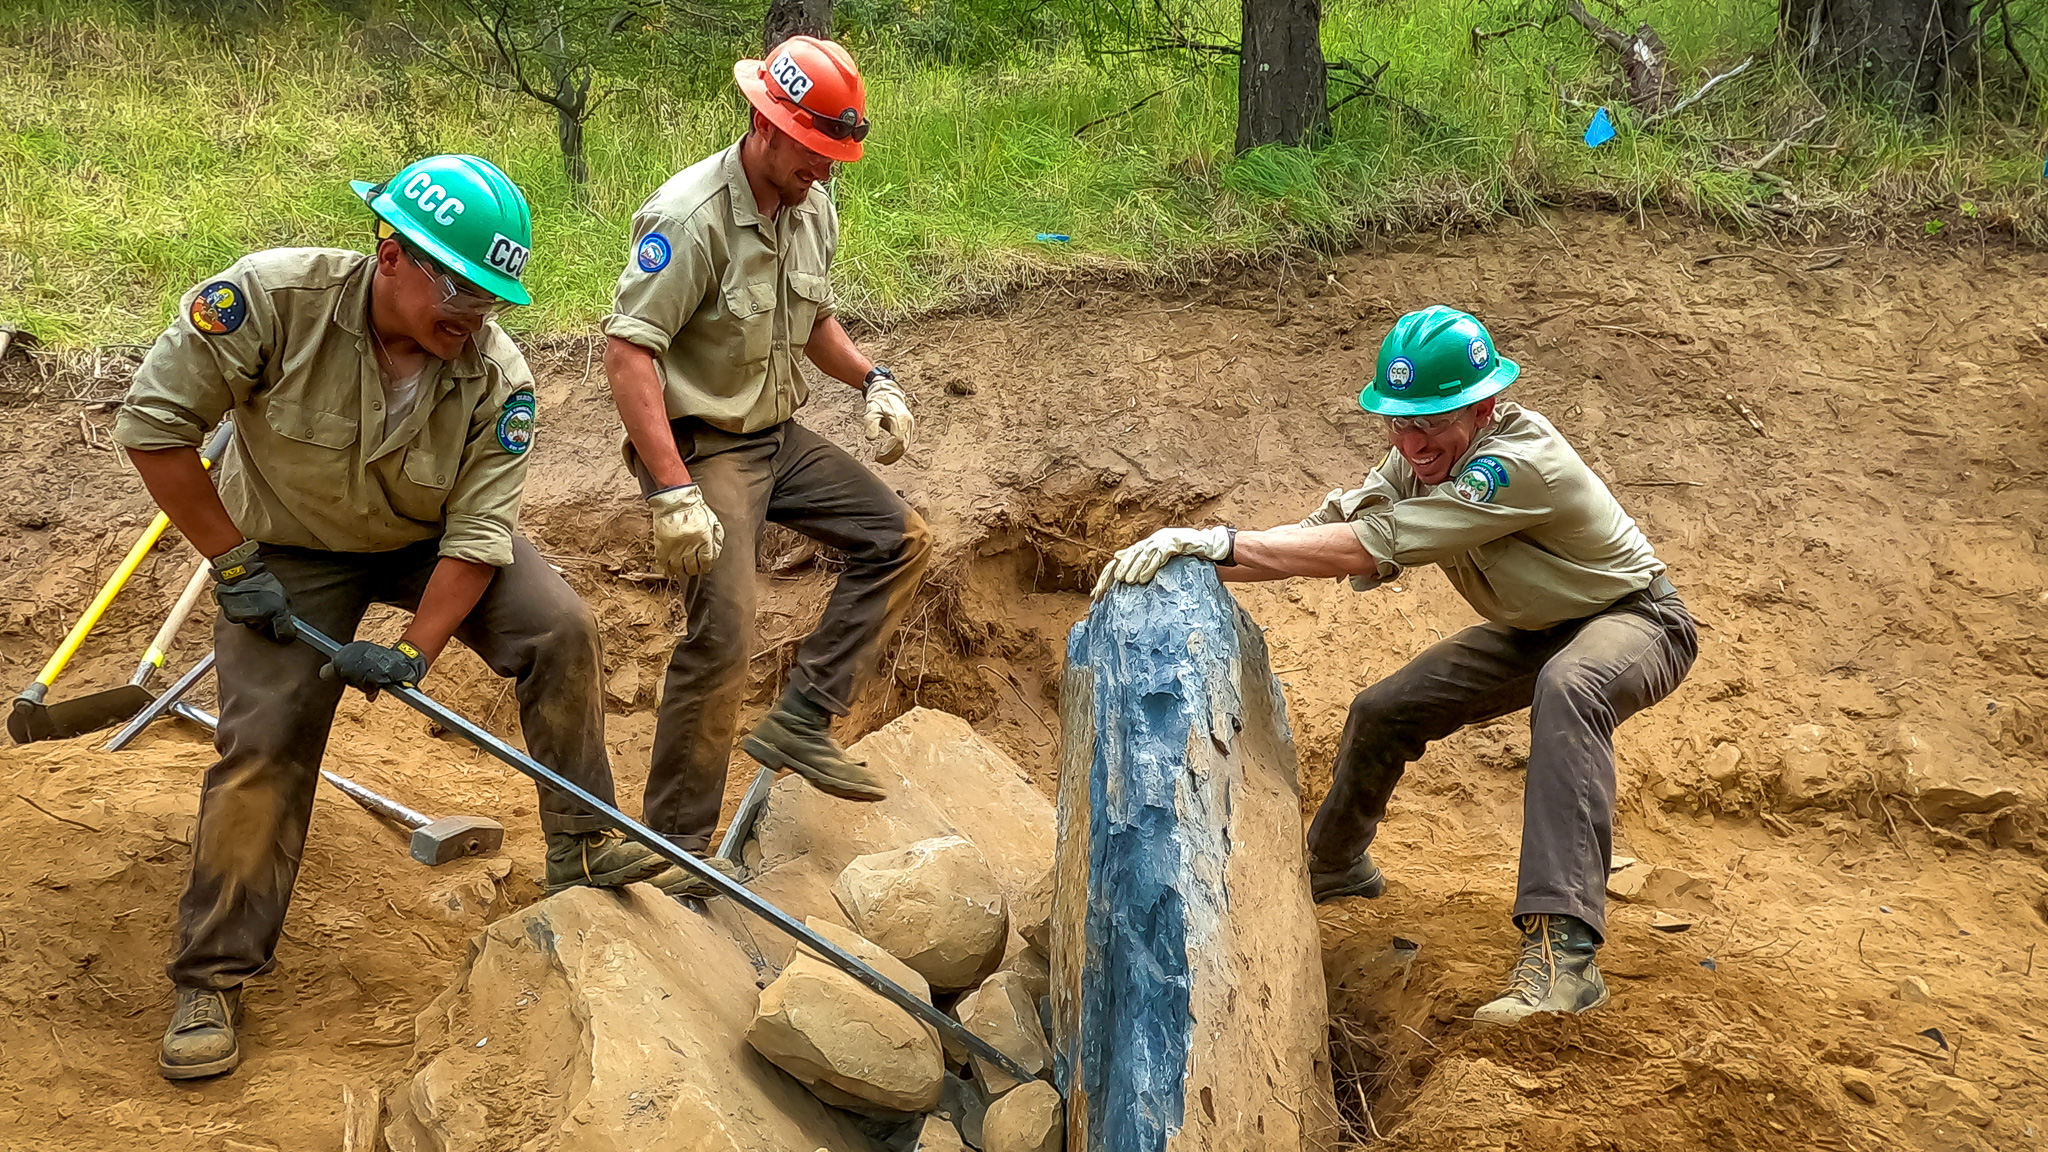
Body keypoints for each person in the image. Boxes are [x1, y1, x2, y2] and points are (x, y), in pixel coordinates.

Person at [115, 155, 666, 1081]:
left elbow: (482, 533)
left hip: (428, 541)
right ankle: (212, 975)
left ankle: (582, 840)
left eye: (492, 300)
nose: (474, 317)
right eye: (460, 290)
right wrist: (232, 559)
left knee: (559, 626)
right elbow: (155, 428)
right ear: (392, 256)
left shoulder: (499, 379)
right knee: (265, 739)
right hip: (283, 546)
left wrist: (412, 651)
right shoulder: (268, 300)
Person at [1091, 305, 1697, 1024]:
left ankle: (1564, 959)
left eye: (1432, 422)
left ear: (1483, 406)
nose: (1412, 441)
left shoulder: (1515, 467)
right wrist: (1197, 560)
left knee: (1571, 691)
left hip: (1637, 620)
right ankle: (1336, 866)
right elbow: (1329, 528)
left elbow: (1374, 540)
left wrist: (1222, 542)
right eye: (1398, 422)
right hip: (1544, 627)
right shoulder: (1416, 455)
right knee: (1385, 711)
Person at [602, 35, 928, 896]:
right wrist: (672, 490)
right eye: (813, 154)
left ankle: (803, 720)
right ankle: (673, 847)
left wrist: (872, 379)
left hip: (775, 436)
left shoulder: (808, 202)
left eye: (833, 158)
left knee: (900, 536)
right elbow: (630, 354)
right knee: (728, 629)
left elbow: (811, 317)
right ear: (766, 124)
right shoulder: (688, 217)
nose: (822, 173)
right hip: (704, 445)